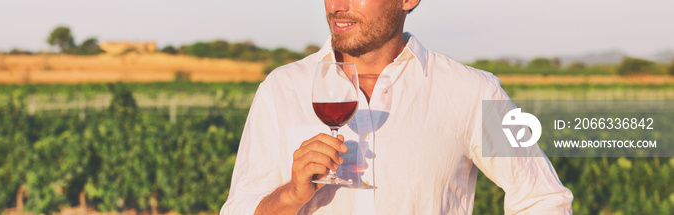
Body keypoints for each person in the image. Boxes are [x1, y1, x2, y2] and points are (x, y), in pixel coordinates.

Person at [221, 0, 574, 214]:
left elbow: (542, 199)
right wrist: (290, 196)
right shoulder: (281, 89)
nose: (336, 6)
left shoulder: (475, 91)